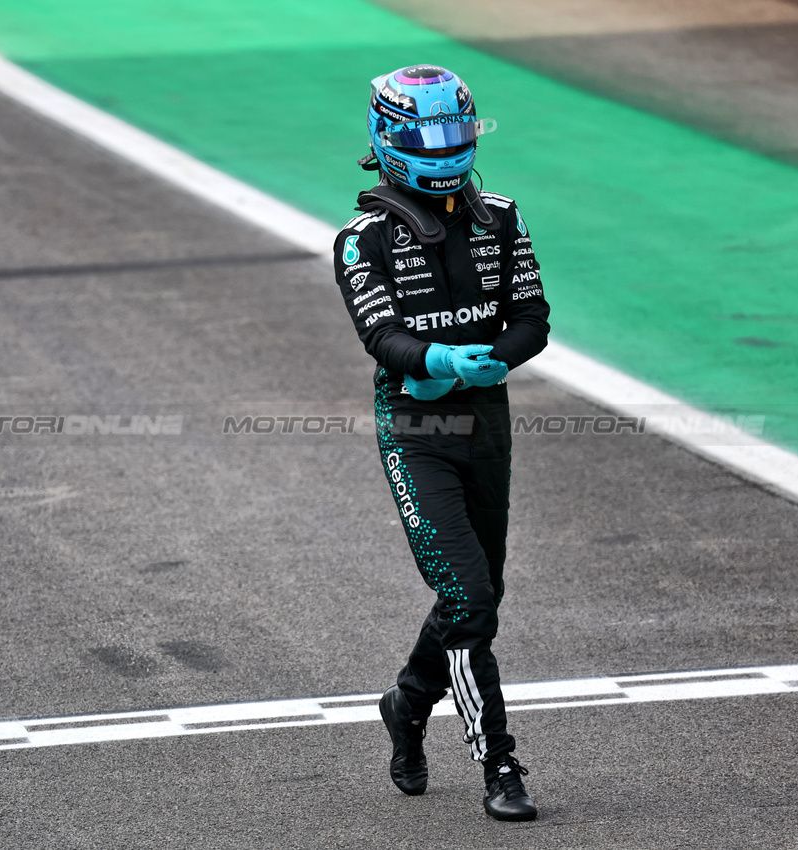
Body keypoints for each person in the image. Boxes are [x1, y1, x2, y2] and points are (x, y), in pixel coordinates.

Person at [333, 65, 550, 821]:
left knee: (478, 596)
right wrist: (433, 363)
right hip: (415, 428)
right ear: (388, 140)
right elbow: (380, 335)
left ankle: (406, 701)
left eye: (456, 134)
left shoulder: (500, 216)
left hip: (485, 419)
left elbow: (531, 316)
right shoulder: (362, 239)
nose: (446, 149)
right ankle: (499, 763)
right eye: (429, 137)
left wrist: (493, 358)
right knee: (466, 595)